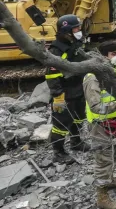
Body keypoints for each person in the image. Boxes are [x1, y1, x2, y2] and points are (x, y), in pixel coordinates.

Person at [83, 42, 116, 209]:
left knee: (115, 152)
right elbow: (95, 106)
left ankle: (109, 180)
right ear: (104, 56)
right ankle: (102, 197)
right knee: (103, 158)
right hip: (100, 123)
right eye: (113, 53)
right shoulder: (92, 77)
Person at [46, 14, 91, 164]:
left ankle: (76, 143)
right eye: (76, 28)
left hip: (78, 89)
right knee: (61, 125)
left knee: (78, 118)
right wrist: (58, 96)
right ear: (67, 31)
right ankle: (58, 153)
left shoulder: (75, 43)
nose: (79, 30)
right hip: (64, 93)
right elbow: (51, 76)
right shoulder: (56, 50)